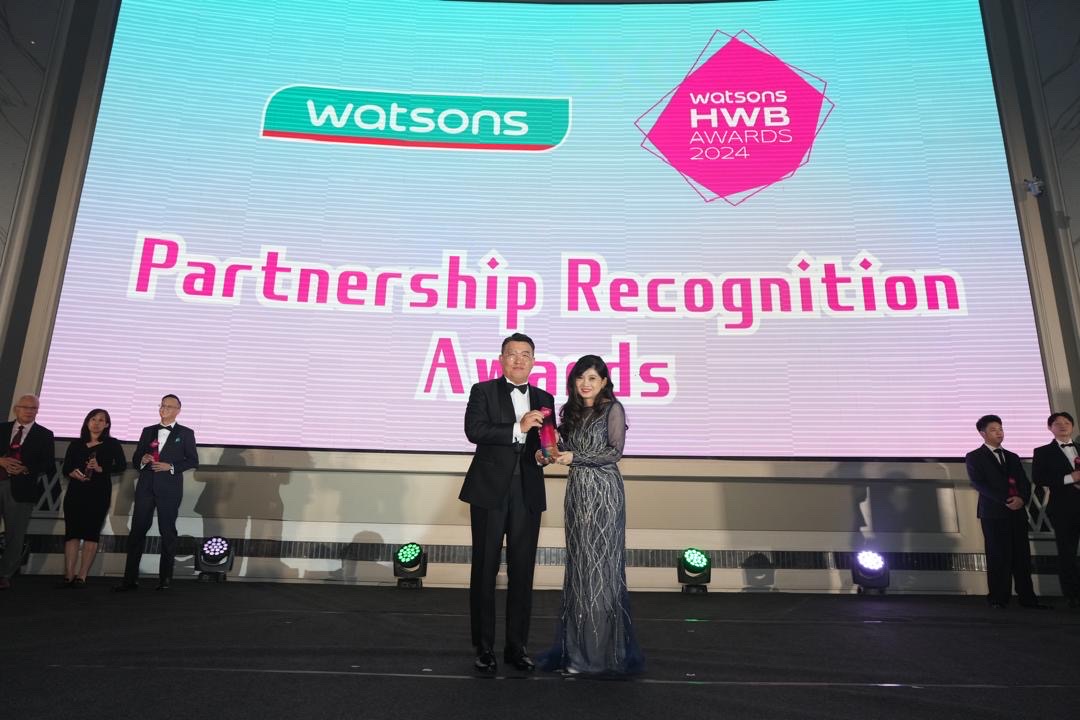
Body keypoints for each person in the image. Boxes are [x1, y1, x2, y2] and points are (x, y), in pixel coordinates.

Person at [536, 355, 643, 675]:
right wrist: (546, 454)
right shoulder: (571, 411)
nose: (586, 384)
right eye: (581, 378)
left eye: (593, 378)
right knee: (580, 572)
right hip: (577, 495)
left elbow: (614, 452)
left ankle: (600, 658)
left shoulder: (613, 409)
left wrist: (575, 457)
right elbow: (561, 449)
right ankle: (576, 655)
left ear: (604, 382)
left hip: (604, 495)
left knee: (601, 573)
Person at [460, 333, 554, 674]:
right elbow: (475, 430)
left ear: (533, 361)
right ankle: (484, 648)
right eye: (512, 354)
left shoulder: (544, 398)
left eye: (525, 354)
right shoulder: (482, 391)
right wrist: (518, 426)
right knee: (484, 569)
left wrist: (545, 455)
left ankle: (517, 647)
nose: (518, 360)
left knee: (522, 572)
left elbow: (545, 444)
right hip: (489, 491)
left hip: (527, 492)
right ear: (501, 359)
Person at [114, 394, 198, 591]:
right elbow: (136, 459)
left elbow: (193, 460)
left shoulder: (186, 433)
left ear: (178, 410)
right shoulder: (148, 431)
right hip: (146, 487)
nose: (164, 409)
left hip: (169, 489)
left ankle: (165, 579)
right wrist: (142, 460)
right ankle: (129, 579)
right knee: (137, 531)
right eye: (162, 405)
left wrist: (171, 467)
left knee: (167, 531)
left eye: (169, 406)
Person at [965, 414, 1048, 609]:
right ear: (982, 433)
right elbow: (979, 483)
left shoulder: (1012, 456)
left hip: (1017, 512)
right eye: (993, 430)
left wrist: (1022, 499)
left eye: (1001, 429)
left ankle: (1027, 598)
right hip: (993, 513)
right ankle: (998, 598)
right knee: (998, 555)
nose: (999, 433)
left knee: (1022, 555)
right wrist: (1006, 500)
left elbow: (1024, 482)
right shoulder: (974, 456)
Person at [60, 409, 127, 587]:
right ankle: (69, 575)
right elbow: (65, 468)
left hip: (98, 493)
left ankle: (82, 576)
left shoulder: (112, 444)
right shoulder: (76, 444)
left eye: (101, 420)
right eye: (93, 419)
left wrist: (100, 469)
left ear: (107, 424)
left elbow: (121, 466)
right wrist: (72, 473)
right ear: (87, 422)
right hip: (76, 492)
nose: (96, 423)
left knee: (91, 533)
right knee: (72, 533)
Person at [0, 394, 55, 590]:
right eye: (25, 407)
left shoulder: (45, 434)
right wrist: (1, 460)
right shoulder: (2, 428)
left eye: (34, 408)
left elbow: (48, 464)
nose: (29, 411)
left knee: (15, 535)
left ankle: (4, 574)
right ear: (16, 408)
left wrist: (26, 468)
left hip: (22, 489)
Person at [1032, 411, 1080, 608]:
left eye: (1067, 422)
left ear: (1072, 426)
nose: (1063, 426)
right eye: (1057, 423)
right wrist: (1070, 479)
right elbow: (1038, 478)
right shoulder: (1042, 452)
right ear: (1049, 428)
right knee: (1067, 553)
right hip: (1063, 508)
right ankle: (1073, 595)